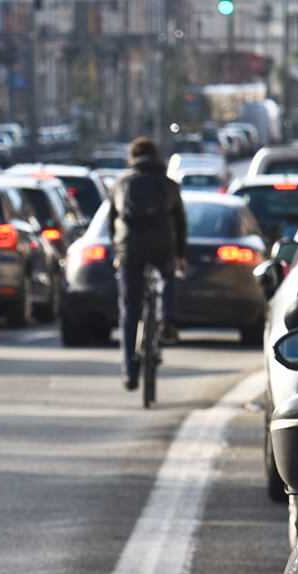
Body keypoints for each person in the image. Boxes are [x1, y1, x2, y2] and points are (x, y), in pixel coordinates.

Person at [105, 136, 188, 390]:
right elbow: (180, 222)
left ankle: (130, 371)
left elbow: (112, 221)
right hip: (162, 244)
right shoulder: (168, 184)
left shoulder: (121, 184)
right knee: (168, 275)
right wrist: (180, 254)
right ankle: (168, 321)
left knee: (130, 308)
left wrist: (116, 251)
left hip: (130, 248)